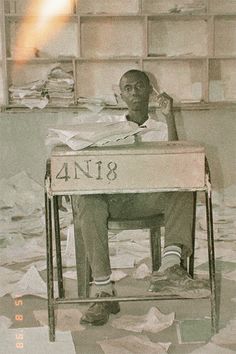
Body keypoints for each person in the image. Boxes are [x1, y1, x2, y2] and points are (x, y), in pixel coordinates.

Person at [71, 70, 194, 326]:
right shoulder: (108, 127)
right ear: (121, 95)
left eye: (140, 87)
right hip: (116, 201)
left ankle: (170, 266)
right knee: (86, 199)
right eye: (128, 88)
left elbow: (177, 161)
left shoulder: (161, 126)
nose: (135, 92)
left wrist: (169, 117)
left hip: (147, 198)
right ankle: (104, 292)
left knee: (184, 185)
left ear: (151, 91)